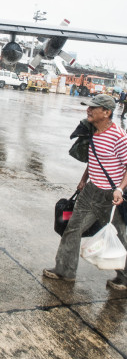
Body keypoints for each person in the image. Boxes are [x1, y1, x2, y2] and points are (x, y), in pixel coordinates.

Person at [43, 94, 127, 290]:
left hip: (111, 196)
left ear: (106, 112)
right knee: (73, 228)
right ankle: (65, 270)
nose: (88, 110)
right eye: (88, 107)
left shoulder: (119, 137)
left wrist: (120, 190)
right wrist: (83, 180)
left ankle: (124, 277)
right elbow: (94, 161)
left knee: (120, 235)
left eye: (93, 108)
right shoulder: (92, 132)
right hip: (90, 191)